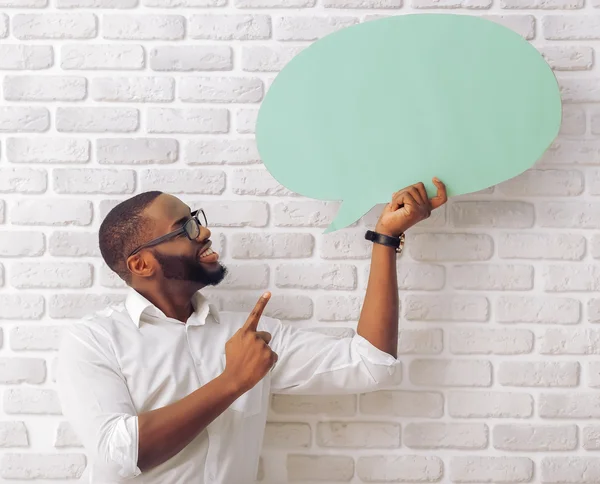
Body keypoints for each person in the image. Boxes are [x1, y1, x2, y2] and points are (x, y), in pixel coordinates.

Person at [56, 178, 447, 484]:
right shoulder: (93, 341)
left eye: (198, 219)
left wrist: (386, 237)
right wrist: (233, 381)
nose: (204, 233)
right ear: (141, 265)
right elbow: (118, 456)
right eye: (186, 228)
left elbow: (372, 364)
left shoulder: (250, 337)